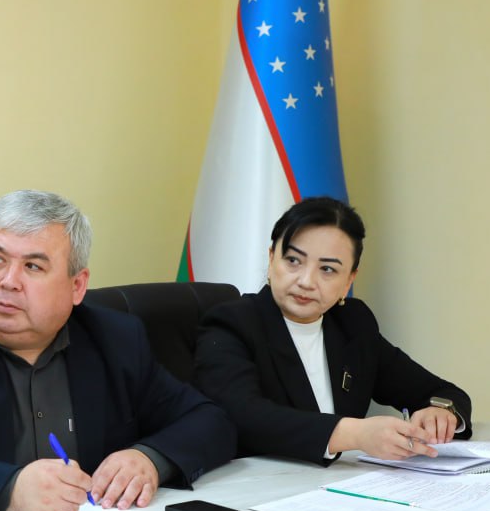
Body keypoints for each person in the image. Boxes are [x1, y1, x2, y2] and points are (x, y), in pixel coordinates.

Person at [0, 190, 236, 511]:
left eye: (33, 266)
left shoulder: (115, 338)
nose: (8, 281)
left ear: (77, 286)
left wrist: (150, 458)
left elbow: (209, 420)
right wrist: (9, 490)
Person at [193, 197, 472, 465]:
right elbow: (240, 416)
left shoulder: (352, 323)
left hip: (337, 485)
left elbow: (441, 391)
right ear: (271, 258)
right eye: (293, 260)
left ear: (349, 280)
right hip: (255, 487)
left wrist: (440, 413)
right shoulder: (233, 323)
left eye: (327, 269)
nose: (306, 281)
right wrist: (355, 434)